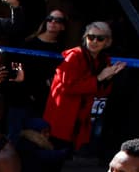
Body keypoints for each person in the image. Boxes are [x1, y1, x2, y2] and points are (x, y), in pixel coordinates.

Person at [43, 21, 126, 154]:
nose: (94, 41)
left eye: (100, 38)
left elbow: (101, 92)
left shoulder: (104, 60)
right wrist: (99, 78)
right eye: (91, 37)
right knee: (54, 158)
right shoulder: (75, 56)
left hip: (81, 119)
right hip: (62, 118)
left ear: (107, 42)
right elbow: (67, 87)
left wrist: (107, 78)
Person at [16, 9, 67, 135]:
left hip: (47, 96)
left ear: (63, 26)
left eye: (58, 20)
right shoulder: (29, 43)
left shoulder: (61, 49)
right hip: (25, 92)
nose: (53, 22)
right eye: (50, 19)